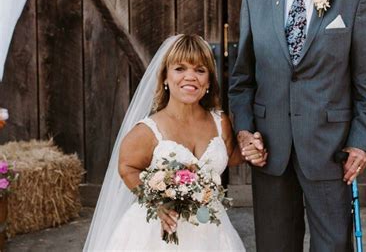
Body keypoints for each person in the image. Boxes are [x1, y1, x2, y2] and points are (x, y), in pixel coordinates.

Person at [229, 0, 366, 251]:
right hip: (271, 151)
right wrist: (244, 130)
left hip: (331, 151)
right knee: (275, 245)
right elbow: (242, 79)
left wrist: (361, 141)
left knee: (332, 246)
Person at [84, 34, 267, 251]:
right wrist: (157, 202)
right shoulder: (147, 131)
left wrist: (253, 152)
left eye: (200, 70)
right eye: (180, 69)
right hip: (158, 235)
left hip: (210, 233)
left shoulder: (219, 122)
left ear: (208, 81)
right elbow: (127, 167)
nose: (190, 76)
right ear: (164, 77)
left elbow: (231, 155)